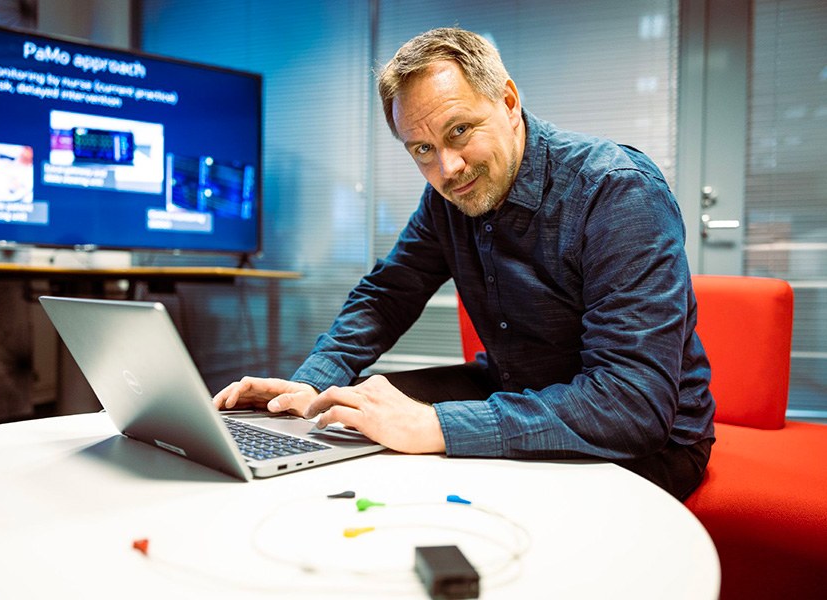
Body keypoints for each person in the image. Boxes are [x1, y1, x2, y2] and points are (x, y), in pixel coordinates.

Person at [214, 27, 715, 501]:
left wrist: (434, 426)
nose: (447, 168)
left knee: (437, 469)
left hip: (649, 438)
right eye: (422, 149)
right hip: (512, 386)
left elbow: (631, 404)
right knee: (346, 412)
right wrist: (313, 381)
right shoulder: (447, 199)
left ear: (509, 102)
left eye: (459, 131)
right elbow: (388, 295)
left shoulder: (617, 190)